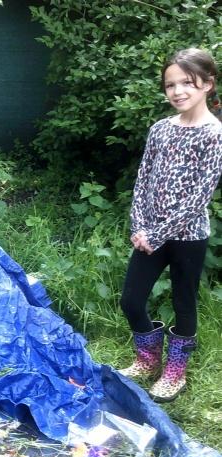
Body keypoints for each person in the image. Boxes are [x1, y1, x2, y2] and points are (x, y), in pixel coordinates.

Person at [118, 48, 222, 403]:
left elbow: (199, 198)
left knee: (183, 303)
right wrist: (139, 226)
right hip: (148, 235)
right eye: (170, 85)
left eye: (187, 83)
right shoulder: (160, 129)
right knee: (131, 300)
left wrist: (157, 233)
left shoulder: (215, 134)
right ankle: (148, 361)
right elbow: (143, 179)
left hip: (188, 238)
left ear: (207, 84)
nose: (178, 91)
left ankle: (175, 372)